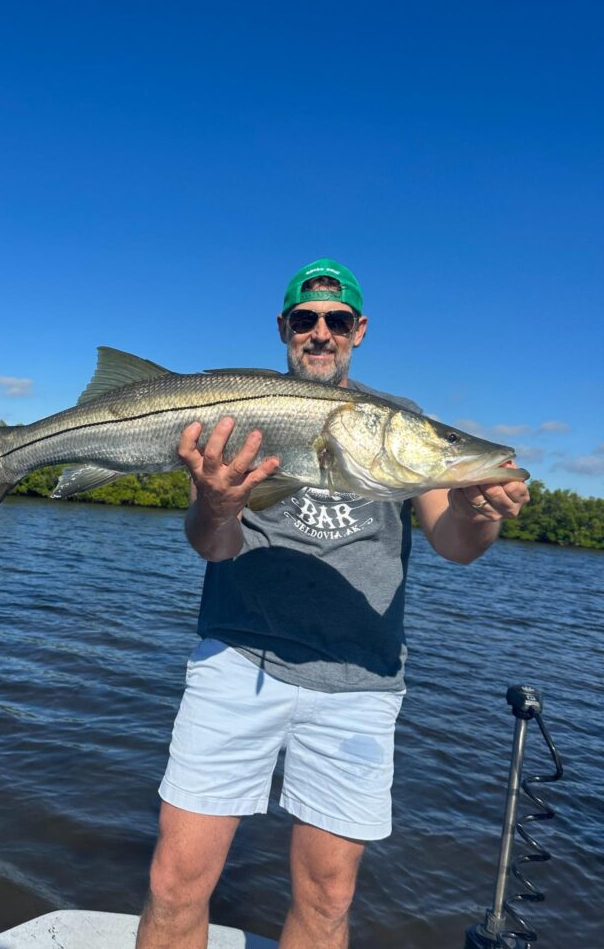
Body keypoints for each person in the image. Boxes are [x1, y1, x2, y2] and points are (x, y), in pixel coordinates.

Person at [136, 258, 529, 949]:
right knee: (175, 881)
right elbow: (212, 545)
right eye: (305, 319)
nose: (321, 333)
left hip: (360, 682)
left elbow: (457, 543)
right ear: (283, 328)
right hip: (238, 660)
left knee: (327, 899)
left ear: (359, 330)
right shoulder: (238, 412)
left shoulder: (402, 424)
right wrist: (217, 504)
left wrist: (480, 507)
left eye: (337, 320)